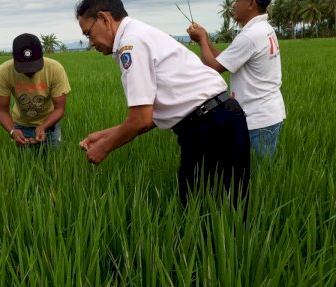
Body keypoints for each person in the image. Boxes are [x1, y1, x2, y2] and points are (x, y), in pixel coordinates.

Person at [75, 0, 250, 207]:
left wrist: (104, 148)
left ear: (104, 18)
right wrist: (106, 135)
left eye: (88, 34)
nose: (91, 42)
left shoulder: (130, 44)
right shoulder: (140, 33)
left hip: (210, 128)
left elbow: (140, 119)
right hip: (219, 118)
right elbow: (157, 115)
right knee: (227, 208)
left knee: (205, 209)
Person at [187, 0, 285, 159]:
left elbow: (214, 68)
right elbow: (225, 61)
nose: (234, 5)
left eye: (238, 0)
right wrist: (204, 40)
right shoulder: (263, 28)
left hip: (258, 119)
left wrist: (202, 40)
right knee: (256, 177)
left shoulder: (251, 35)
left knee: (254, 178)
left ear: (251, 3)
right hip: (267, 114)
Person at [0, 33, 71, 149]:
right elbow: (2, 111)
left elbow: (59, 108)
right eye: (24, 67)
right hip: (20, 126)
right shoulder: (4, 72)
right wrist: (13, 131)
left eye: (34, 66)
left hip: (50, 124)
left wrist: (43, 127)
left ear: (42, 56)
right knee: (24, 164)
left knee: (54, 163)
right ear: (14, 58)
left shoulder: (55, 69)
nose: (29, 72)